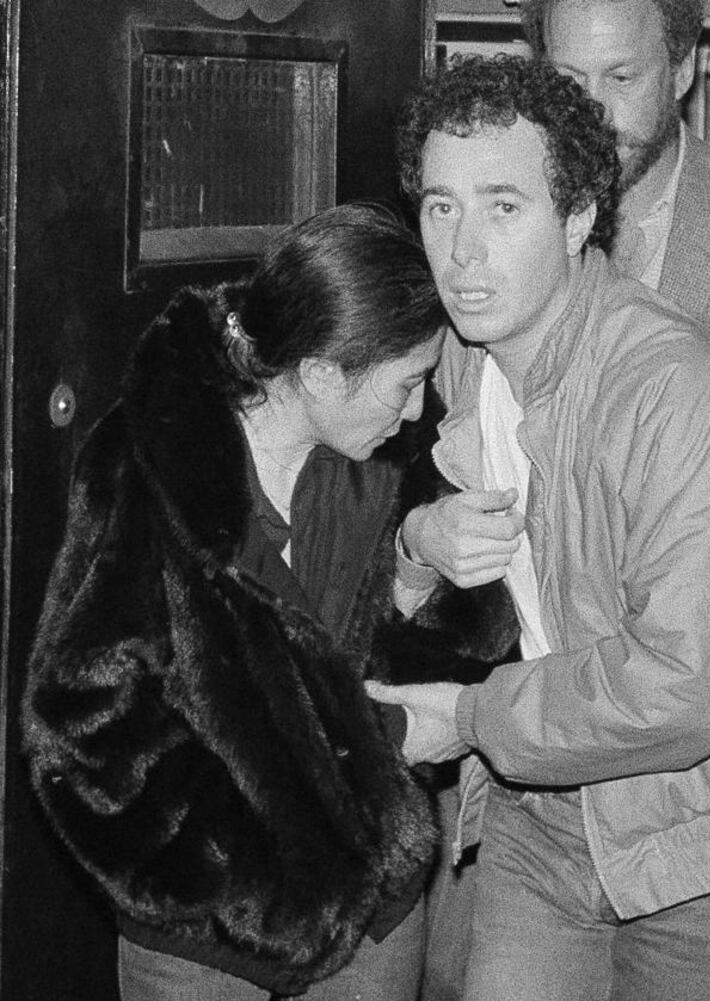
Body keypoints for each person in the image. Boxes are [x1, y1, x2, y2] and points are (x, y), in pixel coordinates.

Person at [368, 55, 710, 1001]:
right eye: (441, 206)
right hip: (538, 812)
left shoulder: (685, 394)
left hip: (691, 843)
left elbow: (692, 689)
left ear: (576, 219)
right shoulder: (464, 360)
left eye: (503, 207)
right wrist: (420, 541)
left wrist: (470, 719)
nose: (463, 251)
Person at [21, 202, 518, 1001]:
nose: (417, 408)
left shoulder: (384, 460)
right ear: (321, 374)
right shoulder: (148, 467)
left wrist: (416, 562)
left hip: (373, 917)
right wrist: (234, 878)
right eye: (407, 382)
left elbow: (384, 666)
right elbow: (79, 721)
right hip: (204, 942)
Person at [520, 0, 710, 380]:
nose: (594, 112)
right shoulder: (505, 217)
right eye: (569, 80)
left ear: (681, 71)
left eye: (621, 78)